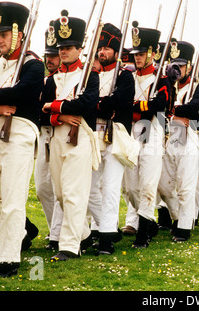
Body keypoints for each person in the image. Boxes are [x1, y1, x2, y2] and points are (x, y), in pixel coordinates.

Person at [0, 0, 45, 277]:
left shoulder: (33, 65)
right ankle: (23, 231)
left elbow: (23, 93)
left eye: (3, 35)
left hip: (21, 131)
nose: (0, 40)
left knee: (13, 196)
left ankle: (9, 259)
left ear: (18, 34)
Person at [41, 10, 100, 262]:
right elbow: (39, 110)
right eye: (61, 47)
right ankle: (84, 235)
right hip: (57, 136)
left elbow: (87, 105)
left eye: (69, 47)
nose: (63, 51)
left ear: (79, 49)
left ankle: (69, 246)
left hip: (80, 137)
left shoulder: (89, 75)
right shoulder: (52, 79)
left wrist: (54, 106)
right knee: (61, 193)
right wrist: (60, 114)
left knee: (74, 193)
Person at [87, 22, 135, 255]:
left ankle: (106, 238)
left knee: (111, 187)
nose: (101, 53)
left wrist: (99, 104)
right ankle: (106, 227)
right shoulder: (92, 75)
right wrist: (99, 104)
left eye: (106, 49)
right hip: (93, 134)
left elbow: (116, 101)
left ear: (116, 52)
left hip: (115, 135)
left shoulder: (125, 76)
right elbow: (93, 103)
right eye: (100, 49)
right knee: (89, 186)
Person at [123, 21, 172, 248]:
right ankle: (149, 222)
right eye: (136, 53)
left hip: (152, 130)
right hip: (132, 132)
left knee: (148, 184)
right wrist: (141, 104)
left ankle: (143, 233)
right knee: (131, 186)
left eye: (142, 53)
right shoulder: (129, 77)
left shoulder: (162, 78)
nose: (138, 57)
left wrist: (137, 105)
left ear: (152, 53)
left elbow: (160, 106)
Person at [158, 39, 199, 242]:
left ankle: (184, 227)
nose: (177, 69)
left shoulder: (197, 87)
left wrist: (174, 111)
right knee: (164, 186)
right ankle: (178, 217)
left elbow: (195, 106)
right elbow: (159, 107)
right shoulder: (167, 85)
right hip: (169, 138)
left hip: (189, 138)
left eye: (181, 66)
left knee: (186, 185)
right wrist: (174, 114)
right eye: (174, 65)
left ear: (190, 67)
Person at [34, 21, 63, 250]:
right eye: (48, 54)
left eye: (54, 54)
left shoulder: (68, 80)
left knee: (60, 187)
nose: (50, 59)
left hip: (62, 135)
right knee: (42, 188)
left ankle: (58, 234)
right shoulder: (44, 80)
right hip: (43, 136)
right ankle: (55, 229)